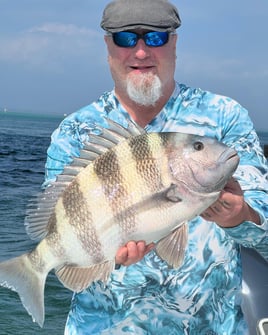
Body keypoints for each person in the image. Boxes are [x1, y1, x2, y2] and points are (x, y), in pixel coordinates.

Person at [43, 0, 268, 334]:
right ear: (108, 46)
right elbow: (66, 245)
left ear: (174, 42)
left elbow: (261, 225)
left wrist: (240, 215)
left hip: (212, 326)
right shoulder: (75, 132)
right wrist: (108, 258)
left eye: (155, 38)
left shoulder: (225, 117)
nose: (141, 52)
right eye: (125, 39)